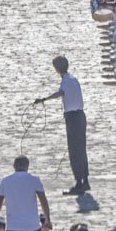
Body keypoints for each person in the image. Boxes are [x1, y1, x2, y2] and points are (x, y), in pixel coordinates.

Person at [34, 56, 87, 195]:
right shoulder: (73, 79)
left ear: (56, 69)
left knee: (74, 150)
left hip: (73, 118)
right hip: (81, 116)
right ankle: (85, 180)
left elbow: (60, 93)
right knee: (81, 149)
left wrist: (44, 99)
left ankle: (79, 183)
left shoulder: (65, 81)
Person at [0, 156, 51, 231]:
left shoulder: (5, 181)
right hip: (32, 226)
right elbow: (43, 202)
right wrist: (48, 219)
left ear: (14, 166)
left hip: (13, 227)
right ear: (27, 166)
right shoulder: (35, 180)